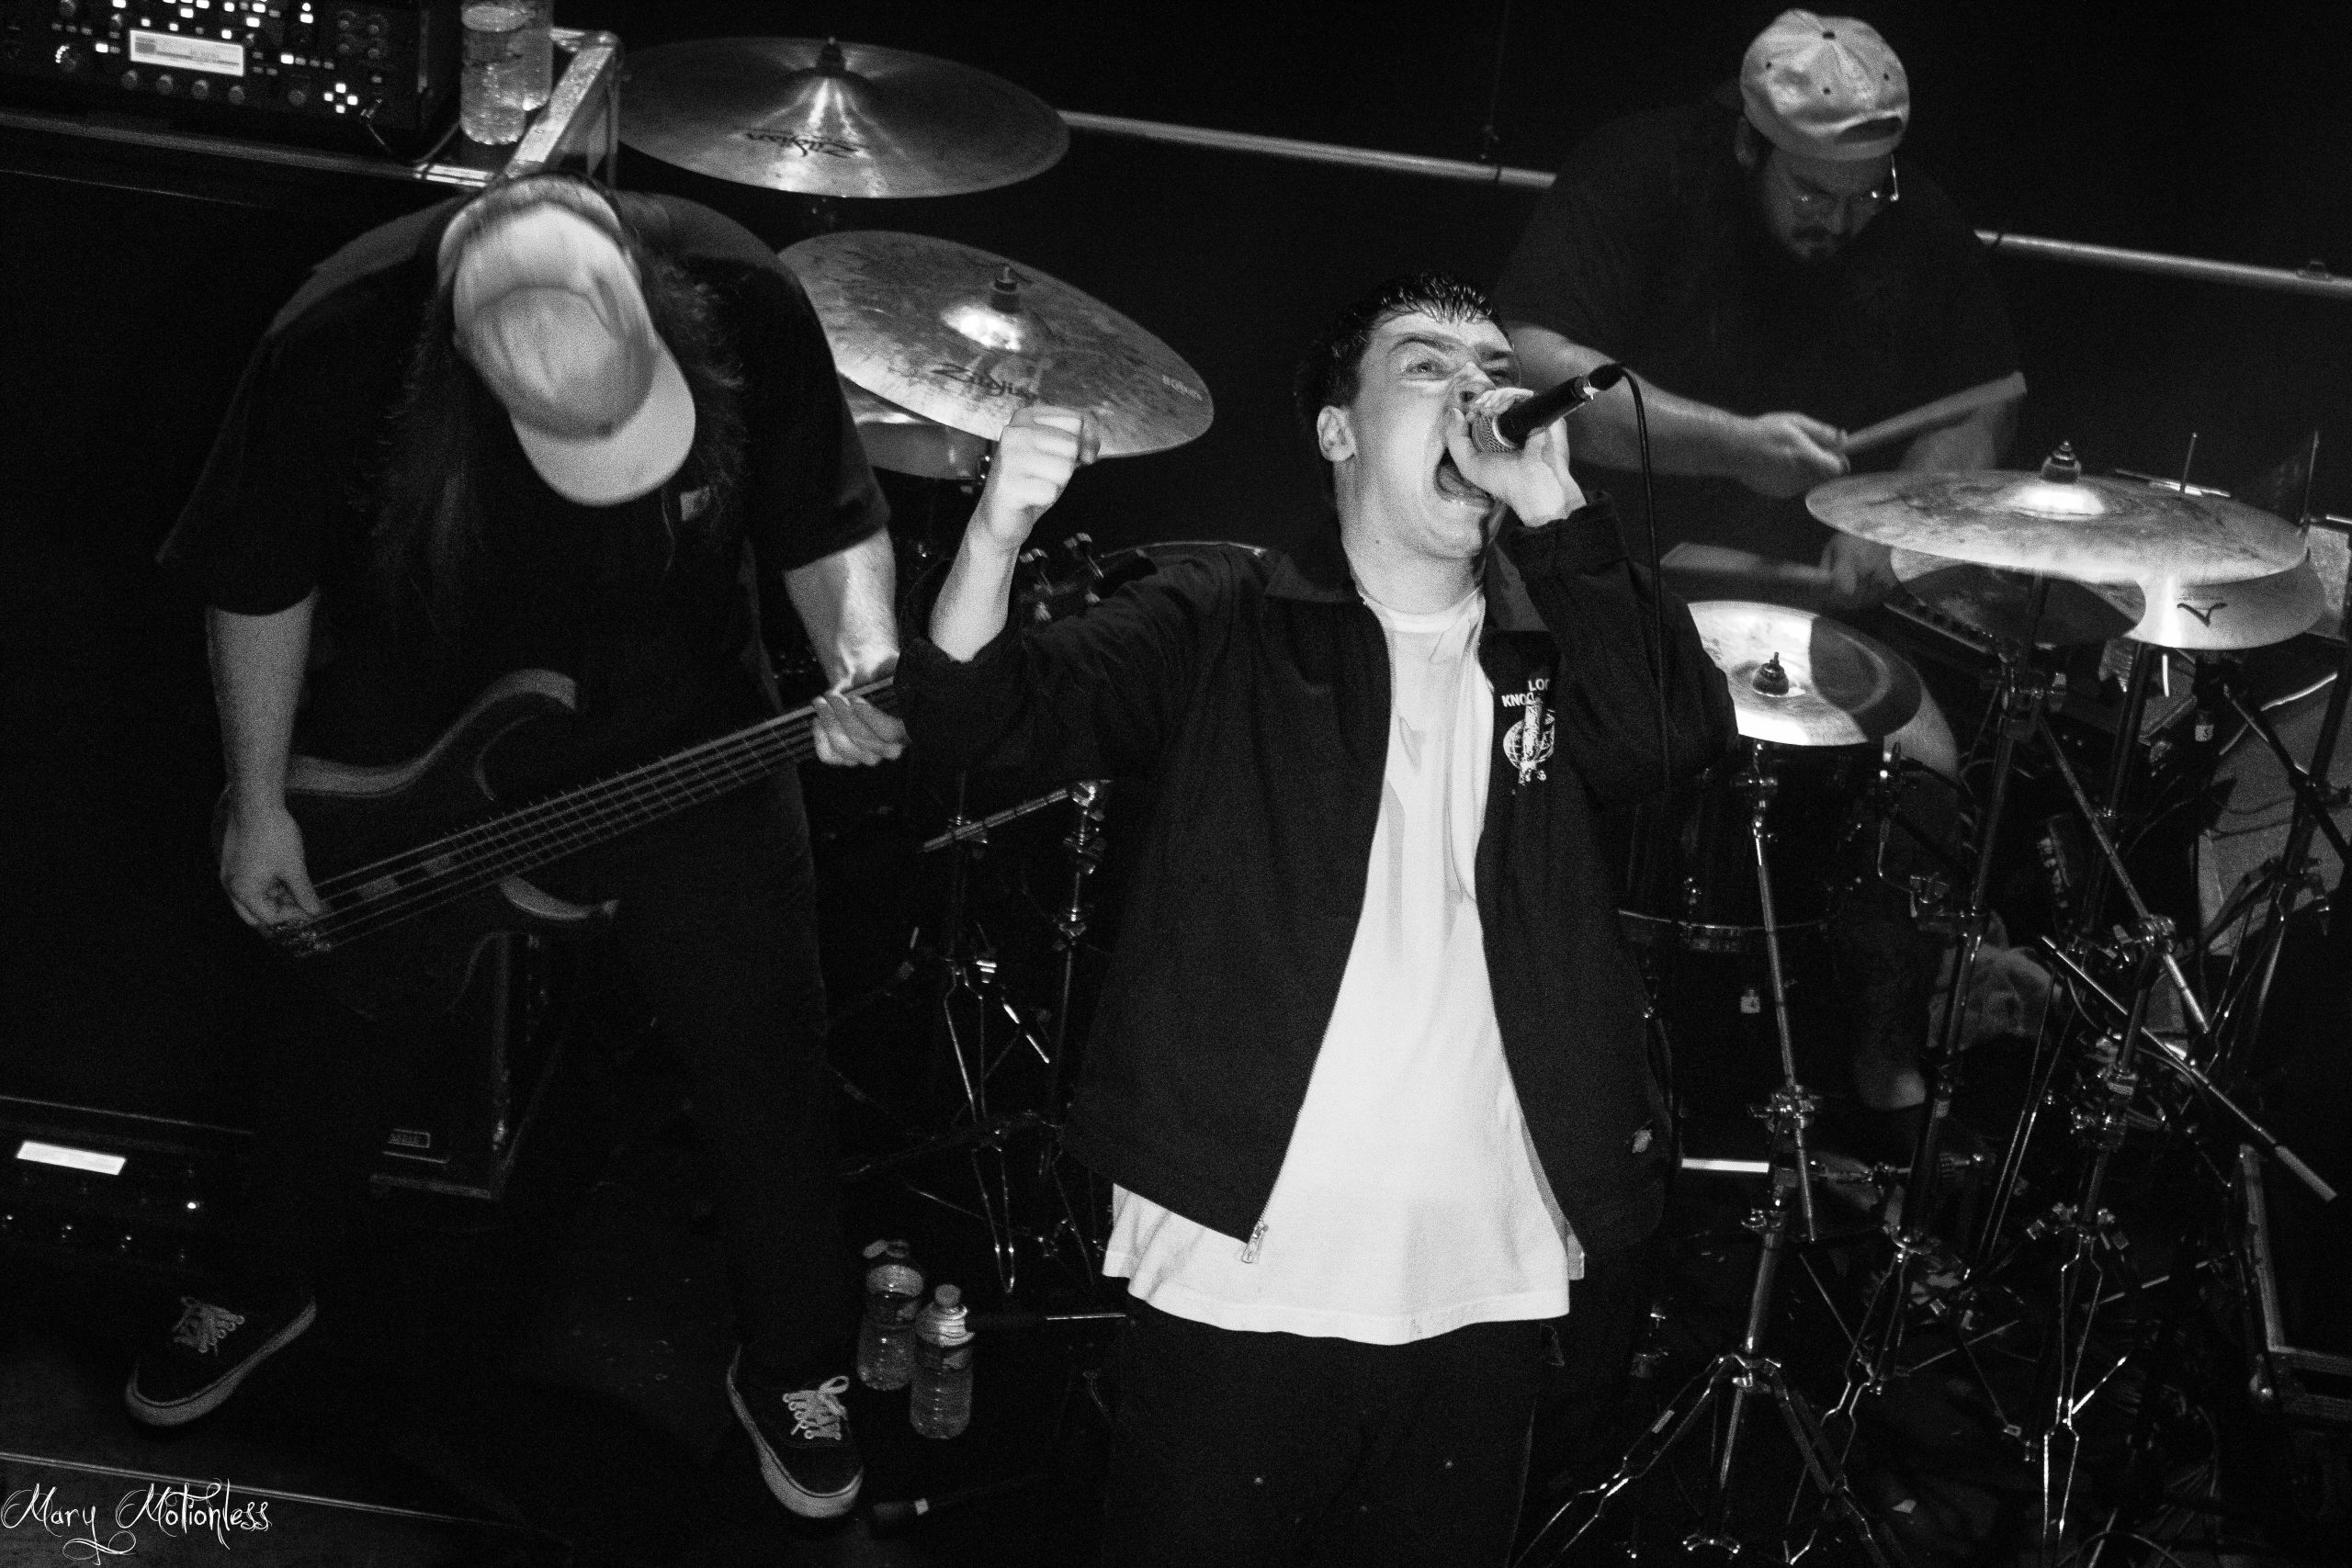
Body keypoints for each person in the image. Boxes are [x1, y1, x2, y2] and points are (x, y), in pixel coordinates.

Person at [899, 274, 1735, 1565]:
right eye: (1425, 365)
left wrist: (1557, 510)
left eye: (1491, 368)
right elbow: (979, 719)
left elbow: (1674, 743)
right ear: (1339, 430)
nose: (1474, 392)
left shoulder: (1550, 641)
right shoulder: (1230, 613)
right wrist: (996, 535)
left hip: (1486, 1265)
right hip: (1244, 1263)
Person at [141, 172, 904, 1520]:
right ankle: (254, 1283)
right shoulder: (340, 337)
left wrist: (861, 655)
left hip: (688, 733)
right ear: (463, 367)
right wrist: (259, 801)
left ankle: (796, 1362)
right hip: (419, 740)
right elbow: (258, 573)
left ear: (653, 304)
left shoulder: (743, 296)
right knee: (331, 1041)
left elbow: (826, 520)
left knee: (766, 1061)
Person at [1493, 9, 2020, 609]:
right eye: (1813, 193)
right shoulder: (1640, 170)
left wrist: (1900, 519)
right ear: (1749, 144)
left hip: (1803, 603)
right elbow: (1534, 363)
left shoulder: (1916, 220)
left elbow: (1988, 401)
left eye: (1868, 194)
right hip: (1597, 567)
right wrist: (1733, 446)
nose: (1840, 222)